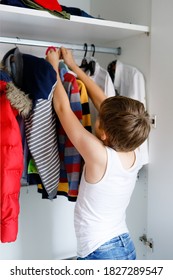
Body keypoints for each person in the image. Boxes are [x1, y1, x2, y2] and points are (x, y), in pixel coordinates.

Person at [46, 47, 151, 260]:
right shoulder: (135, 149)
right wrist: (74, 66)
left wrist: (52, 67)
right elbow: (104, 103)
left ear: (104, 134)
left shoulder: (99, 156)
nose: (97, 116)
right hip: (122, 244)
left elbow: (63, 109)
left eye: (99, 119)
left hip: (101, 252)